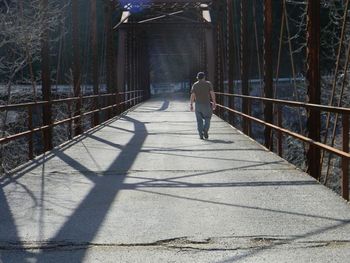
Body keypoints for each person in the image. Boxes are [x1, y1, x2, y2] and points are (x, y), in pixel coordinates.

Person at [190, 72, 217, 139]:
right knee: (207, 118)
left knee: (199, 120)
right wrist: (214, 102)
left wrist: (191, 104)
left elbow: (192, 95)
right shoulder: (208, 84)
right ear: (204, 77)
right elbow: (212, 93)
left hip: (198, 105)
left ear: (197, 78)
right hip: (206, 105)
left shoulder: (195, 85)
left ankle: (200, 134)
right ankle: (205, 130)